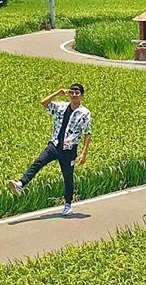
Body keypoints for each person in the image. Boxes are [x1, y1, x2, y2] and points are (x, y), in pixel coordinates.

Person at [8, 82, 92, 215]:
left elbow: (87, 133)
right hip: (54, 144)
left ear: (82, 95)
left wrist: (84, 153)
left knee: (67, 177)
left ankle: (68, 204)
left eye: (77, 93)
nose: (74, 95)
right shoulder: (61, 107)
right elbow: (44, 103)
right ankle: (20, 184)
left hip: (69, 149)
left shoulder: (84, 113)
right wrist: (57, 93)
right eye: (72, 92)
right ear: (69, 94)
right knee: (38, 162)